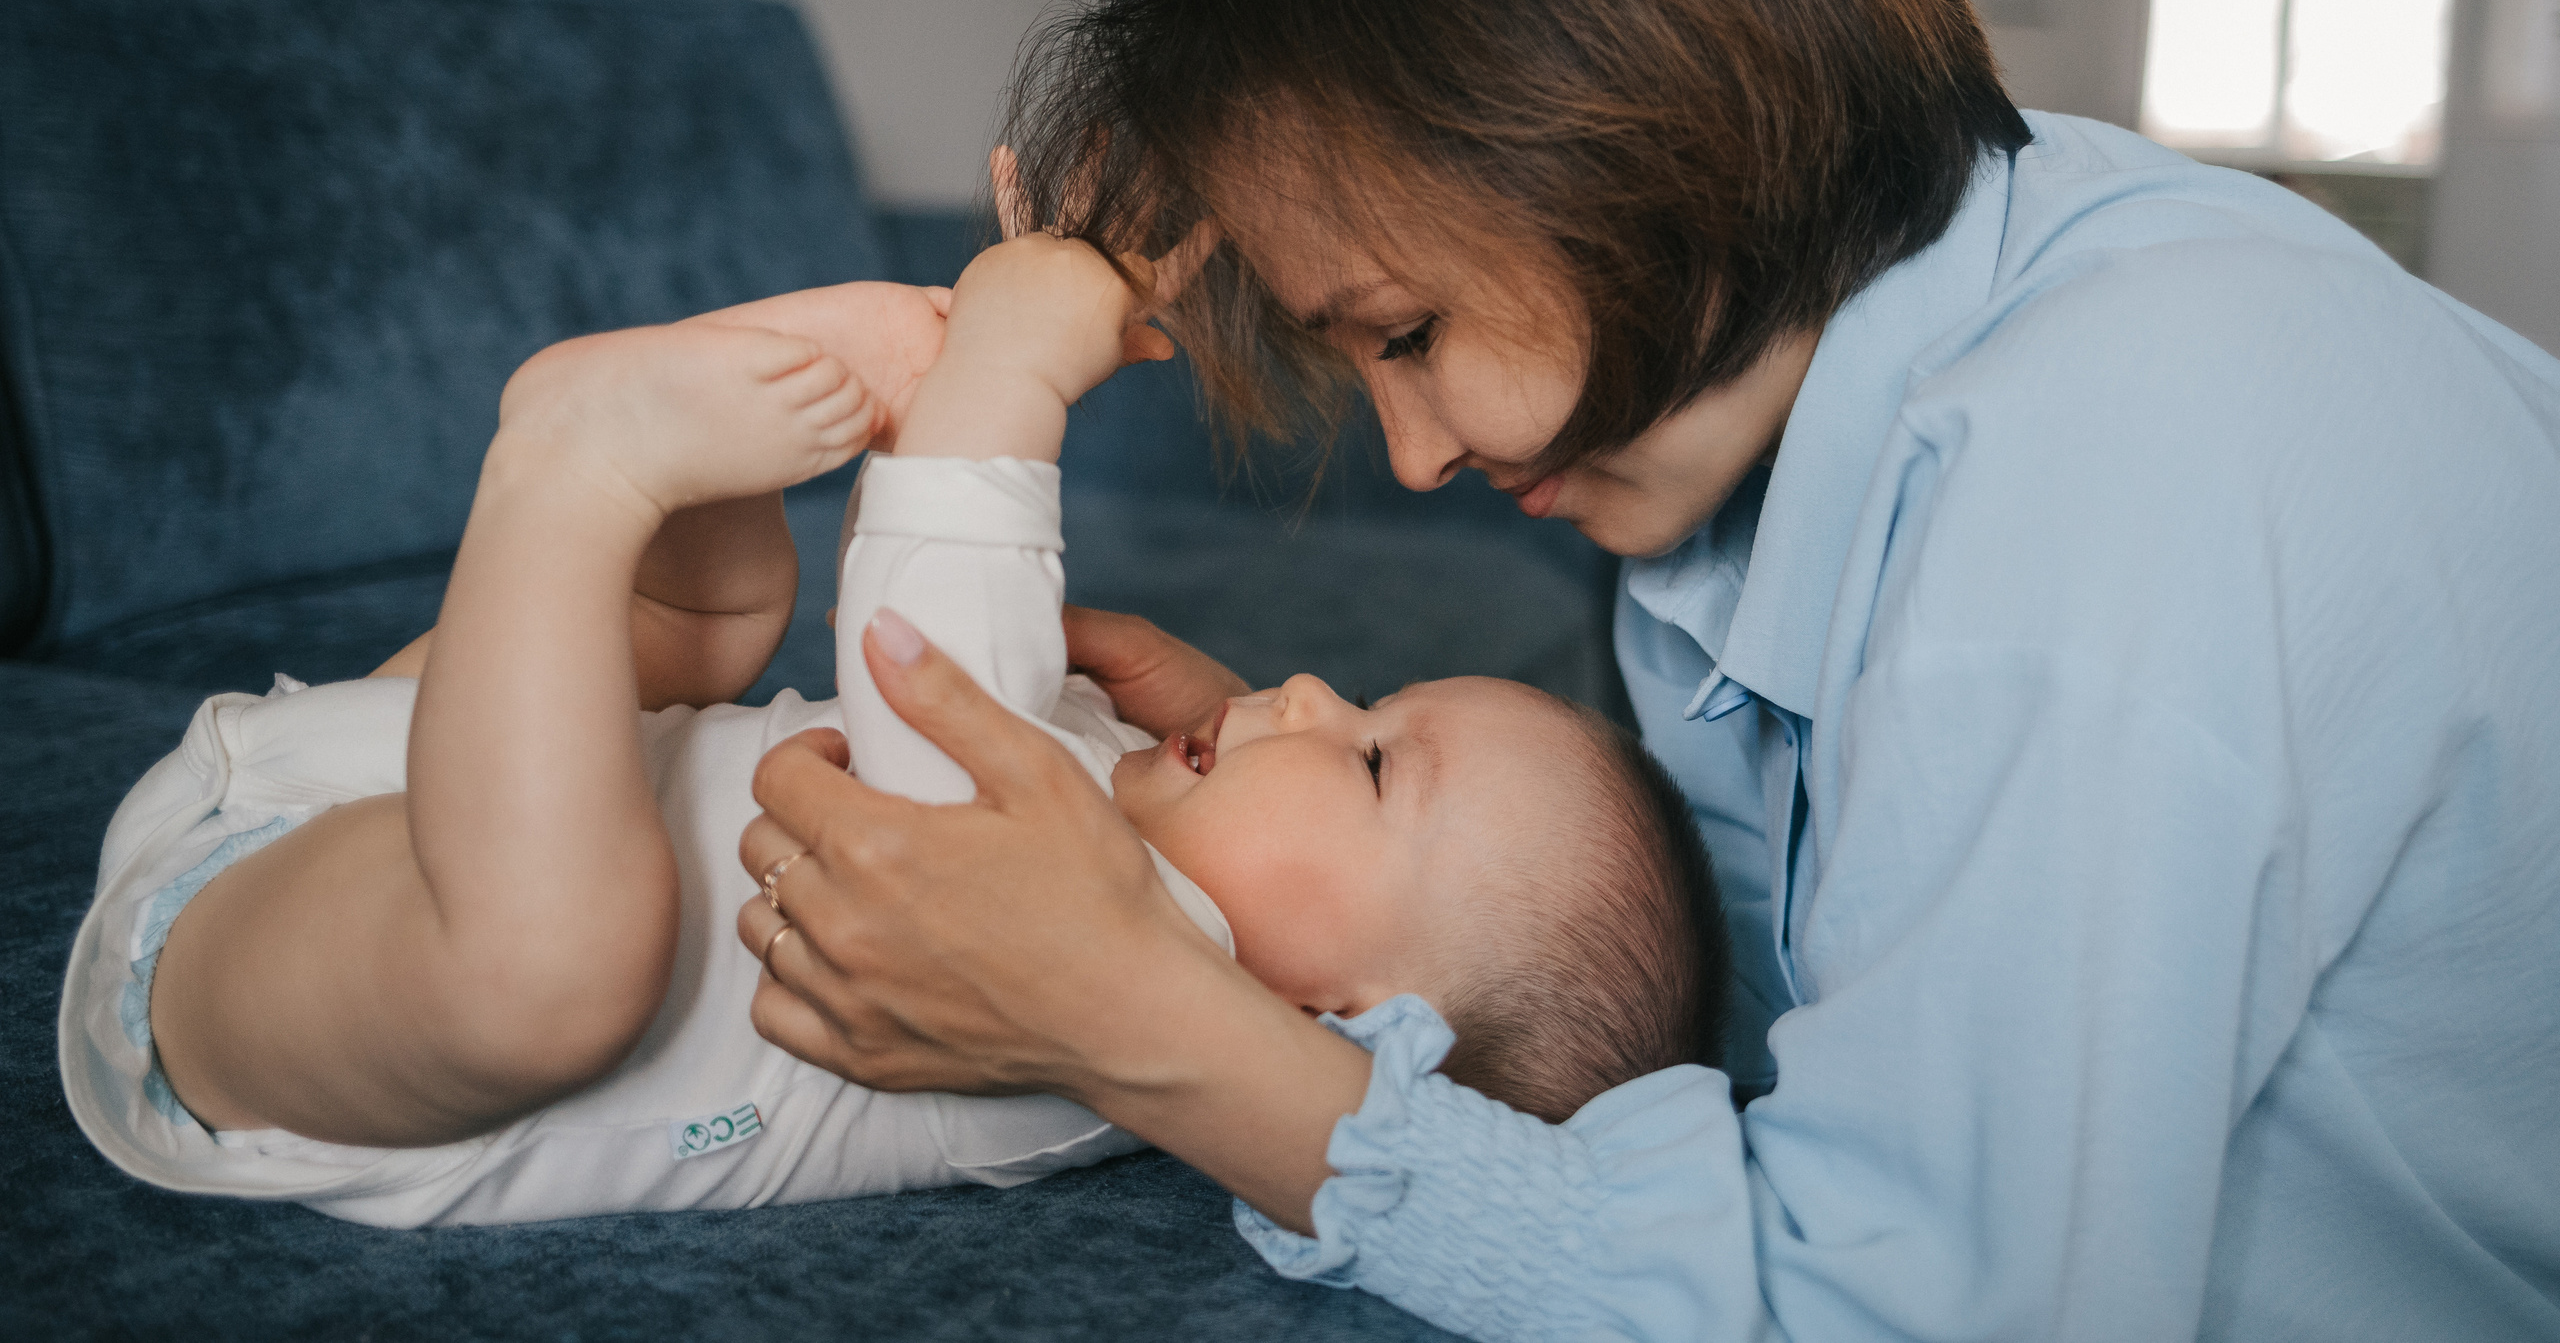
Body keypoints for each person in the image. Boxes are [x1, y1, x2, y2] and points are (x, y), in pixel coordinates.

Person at [733, 0, 2560, 1342]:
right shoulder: (1775, 448)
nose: (1420, 459)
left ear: (1616, 131)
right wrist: (1280, 866)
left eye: (1411, 335)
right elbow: (1761, 1082)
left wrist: (1131, 1014)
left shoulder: (2115, 464)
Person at [58, 230, 1728, 1226]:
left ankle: (575, 470)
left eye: (1371, 756)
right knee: (713, 640)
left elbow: (935, 642)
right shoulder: (1137, 858)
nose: (1296, 690)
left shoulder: (1092, 1039)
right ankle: (673, 434)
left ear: (1359, 1029)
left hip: (276, 994)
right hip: (424, 789)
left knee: (566, 951)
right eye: (1362, 697)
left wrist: (1003, 372)